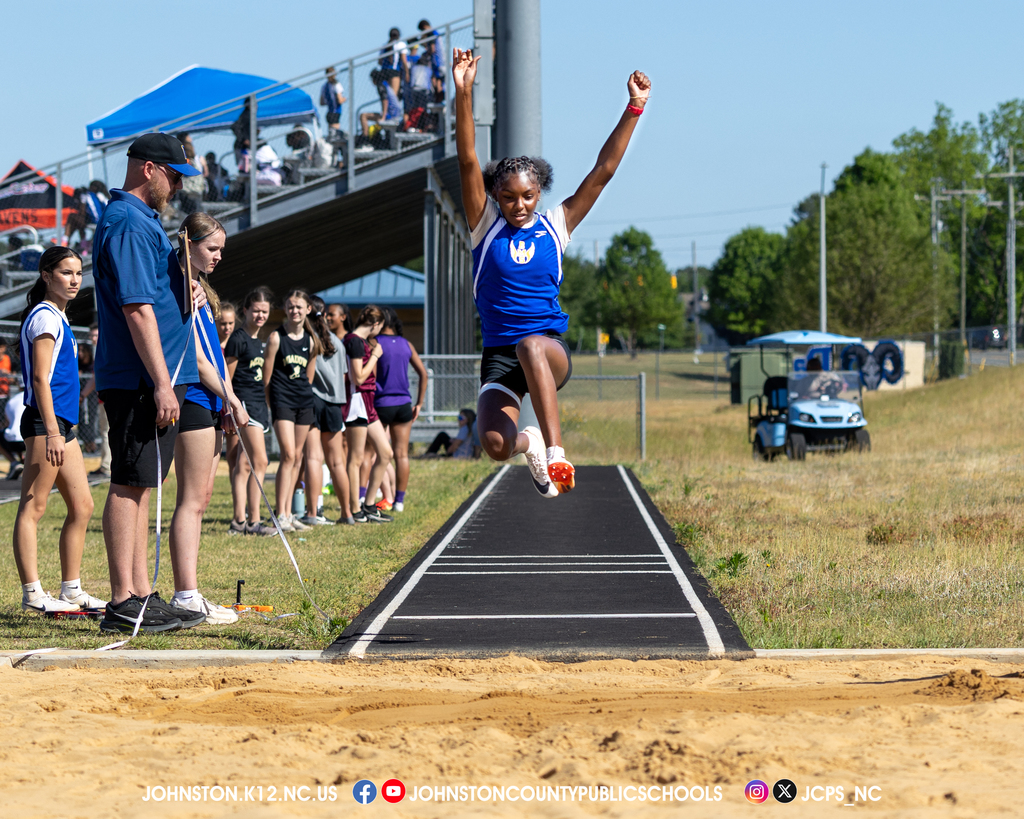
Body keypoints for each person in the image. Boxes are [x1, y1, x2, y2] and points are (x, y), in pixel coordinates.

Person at [452, 49, 651, 497]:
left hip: (548, 351)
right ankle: (533, 443)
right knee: (495, 445)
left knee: (531, 343)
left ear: (539, 193)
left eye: (527, 196)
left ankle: (557, 452)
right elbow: (467, 160)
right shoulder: (484, 226)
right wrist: (463, 92)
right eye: (508, 198)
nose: (518, 206)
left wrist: (634, 107)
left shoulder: (555, 225)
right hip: (501, 354)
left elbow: (604, 171)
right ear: (496, 197)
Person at [92, 132, 208, 633]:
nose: (179, 186)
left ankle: (141, 592)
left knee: (143, 484)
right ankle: (123, 601)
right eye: (174, 175)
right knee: (129, 482)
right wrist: (162, 382)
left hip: (154, 375)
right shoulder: (128, 222)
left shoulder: (142, 222)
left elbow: (155, 296)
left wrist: (189, 286)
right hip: (141, 377)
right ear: (149, 170)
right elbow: (137, 309)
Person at [12, 246, 105, 615]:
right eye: (66, 272)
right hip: (44, 424)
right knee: (33, 508)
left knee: (82, 506)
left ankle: (71, 590)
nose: (74, 279)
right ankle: (33, 593)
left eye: (78, 273)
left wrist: (62, 429)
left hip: (61, 426)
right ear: (46, 276)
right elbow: (39, 378)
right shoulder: (46, 317)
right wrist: (52, 431)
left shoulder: (58, 317)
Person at [167, 213, 249, 625]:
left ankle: (190, 591)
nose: (218, 257)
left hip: (212, 401)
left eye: (221, 250)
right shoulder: (180, 285)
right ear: (190, 243)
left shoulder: (199, 288)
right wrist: (231, 397)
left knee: (199, 502)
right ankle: (185, 594)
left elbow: (209, 350)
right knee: (192, 500)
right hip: (198, 397)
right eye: (211, 248)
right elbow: (196, 360)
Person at [263, 288, 321, 533]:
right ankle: (280, 514)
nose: (295, 311)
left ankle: (290, 513)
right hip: (282, 401)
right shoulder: (277, 338)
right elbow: (266, 378)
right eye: (290, 306)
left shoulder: (311, 340)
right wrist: (272, 404)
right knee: (287, 455)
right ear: (285, 309)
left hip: (303, 402)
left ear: (308, 309)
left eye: (299, 307)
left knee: (297, 457)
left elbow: (309, 376)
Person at [224, 286, 275, 536]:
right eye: (256, 311)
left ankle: (240, 521)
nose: (260, 316)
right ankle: (253, 521)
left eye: (264, 311)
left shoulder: (257, 341)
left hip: (257, 404)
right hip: (243, 404)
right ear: (246, 310)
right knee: (260, 460)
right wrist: (230, 407)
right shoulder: (238, 338)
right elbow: (227, 377)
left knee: (245, 465)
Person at [343, 305, 393, 523]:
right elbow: (358, 378)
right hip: (356, 402)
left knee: (386, 452)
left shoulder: (362, 342)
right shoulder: (354, 341)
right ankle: (355, 508)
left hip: (368, 403)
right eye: (380, 327)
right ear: (375, 324)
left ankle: (370, 504)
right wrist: (374, 356)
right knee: (356, 458)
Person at [374, 307, 427, 512]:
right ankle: (399, 501)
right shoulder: (406, 344)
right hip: (404, 404)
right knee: (401, 455)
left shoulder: (375, 343)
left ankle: (363, 498)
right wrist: (419, 403)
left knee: (372, 454)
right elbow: (423, 373)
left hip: (380, 404)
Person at [80, 324, 110, 478]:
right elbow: (94, 377)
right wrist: (83, 395)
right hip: (102, 398)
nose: (93, 338)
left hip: (110, 397)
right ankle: (107, 465)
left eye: (95, 335)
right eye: (91, 335)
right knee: (106, 432)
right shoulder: (98, 351)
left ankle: (107, 467)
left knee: (106, 432)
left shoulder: (107, 349)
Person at [2, 384, 26, 479]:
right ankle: (24, 461)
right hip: (29, 438)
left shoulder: (12, 401)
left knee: (10, 433)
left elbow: (7, 423)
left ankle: (14, 462)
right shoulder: (35, 397)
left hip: (12, 440)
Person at [320, 68, 347, 135]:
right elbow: (339, 100)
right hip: (336, 112)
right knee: (335, 135)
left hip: (329, 112)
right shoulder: (336, 85)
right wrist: (345, 99)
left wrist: (329, 102)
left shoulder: (324, 86)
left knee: (331, 133)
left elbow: (322, 102)